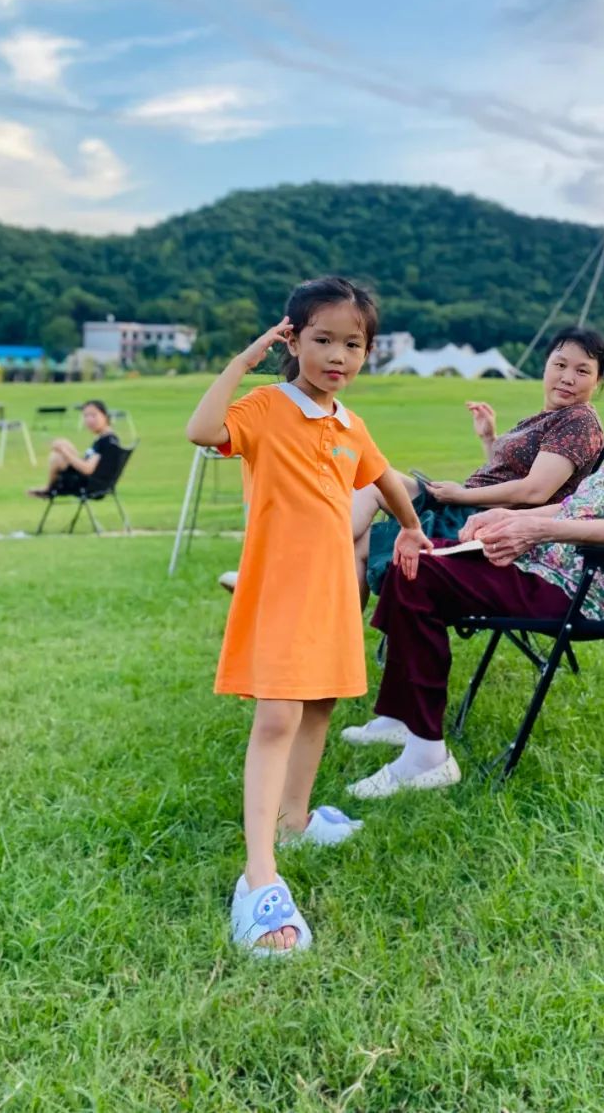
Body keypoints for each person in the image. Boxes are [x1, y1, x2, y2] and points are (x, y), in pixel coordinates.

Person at [343, 320, 604, 797]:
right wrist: (507, 517)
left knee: (418, 572)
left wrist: (537, 529)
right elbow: (577, 506)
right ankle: (403, 718)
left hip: (588, 586)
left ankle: (426, 757)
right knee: (416, 557)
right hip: (552, 565)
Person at [186, 276, 431, 956]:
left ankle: (295, 820)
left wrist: (412, 528)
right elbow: (202, 430)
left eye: (353, 344)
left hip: (333, 591)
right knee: (276, 717)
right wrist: (246, 360)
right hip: (278, 591)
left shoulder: (350, 425)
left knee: (319, 705)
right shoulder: (267, 406)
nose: (338, 356)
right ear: (292, 340)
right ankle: (259, 875)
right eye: (323, 339)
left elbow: (384, 477)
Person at [350, 325, 604, 608]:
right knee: (373, 479)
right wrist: (489, 439)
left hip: (487, 523)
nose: (567, 378)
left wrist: (460, 495)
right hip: (470, 510)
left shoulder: (578, 420)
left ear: (597, 381)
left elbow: (535, 491)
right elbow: (507, 474)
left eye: (582, 371)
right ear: (545, 366)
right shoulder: (550, 416)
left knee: (360, 543)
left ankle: (329, 584)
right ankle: (324, 550)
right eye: (560, 365)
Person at [27, 399, 120, 498]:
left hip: (88, 486)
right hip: (95, 482)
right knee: (62, 442)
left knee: (57, 457)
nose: (89, 420)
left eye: (93, 415)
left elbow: (87, 469)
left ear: (105, 416)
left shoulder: (106, 441)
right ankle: (49, 488)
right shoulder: (108, 438)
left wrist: (64, 452)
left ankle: (49, 489)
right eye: (86, 416)